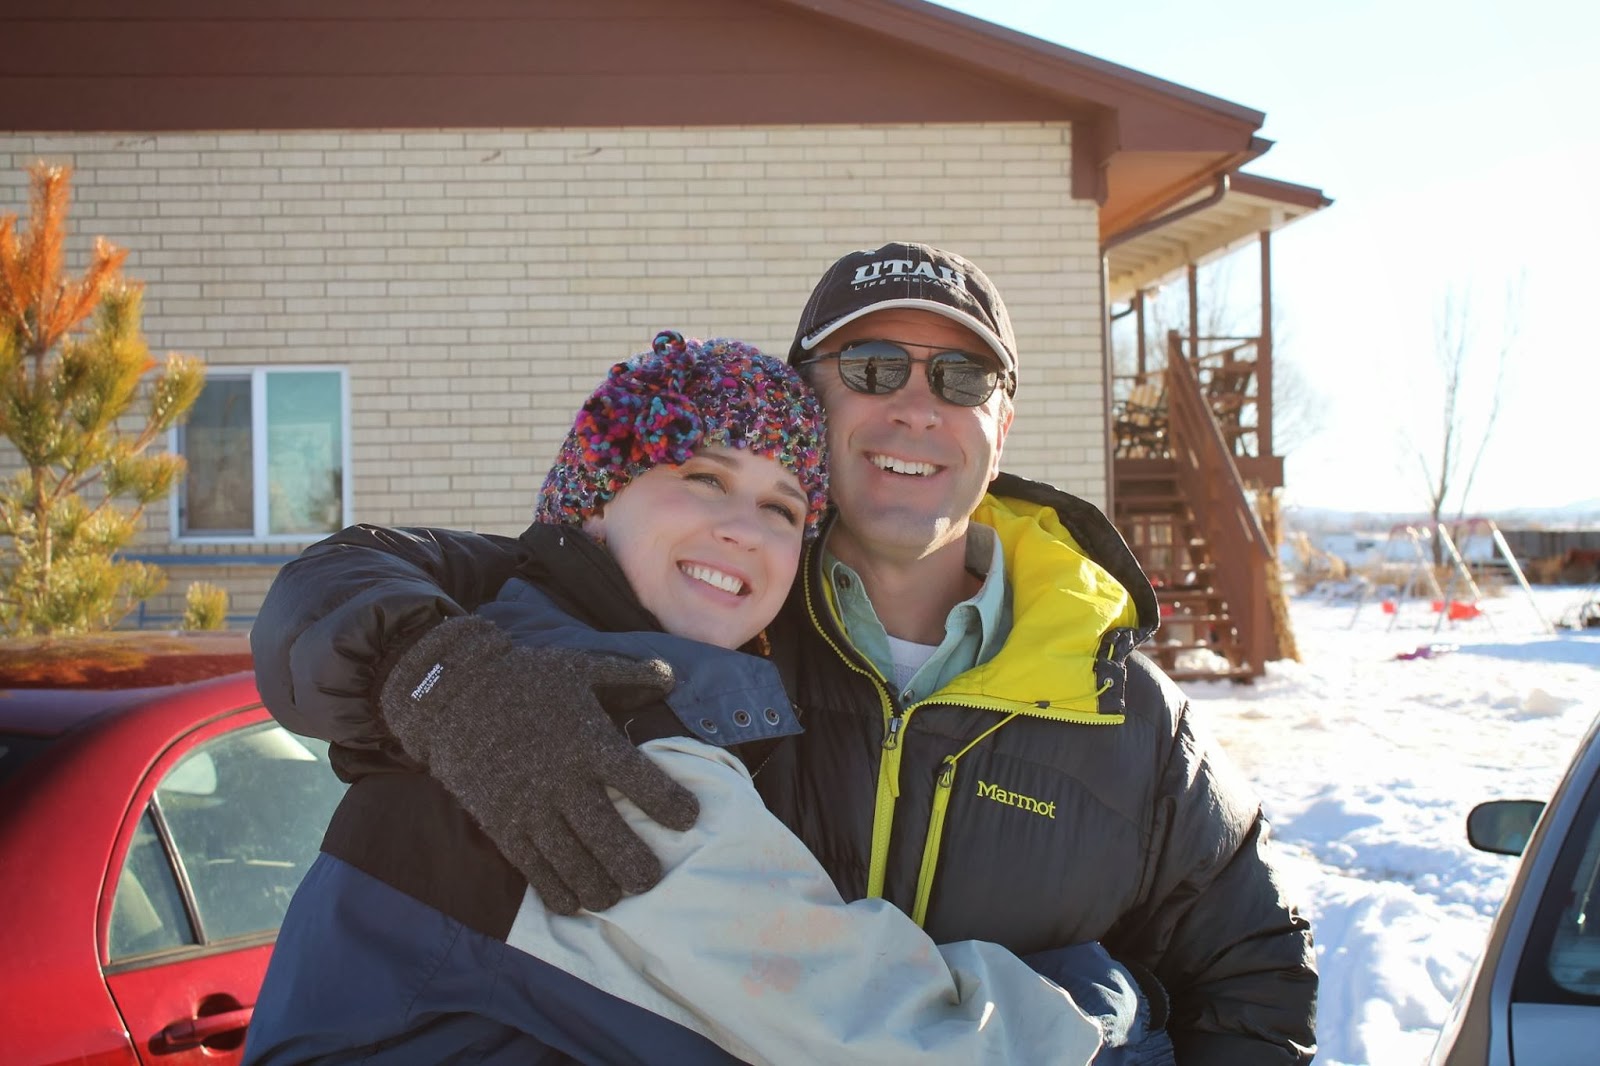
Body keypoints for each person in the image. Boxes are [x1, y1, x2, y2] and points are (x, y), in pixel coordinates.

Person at [252, 243, 1318, 1063]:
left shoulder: (1128, 713)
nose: (917, 404)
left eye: (962, 376)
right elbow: (356, 574)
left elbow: (1257, 977)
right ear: (811, 397)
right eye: (873, 365)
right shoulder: (628, 667)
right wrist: (437, 671)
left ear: (1002, 424)